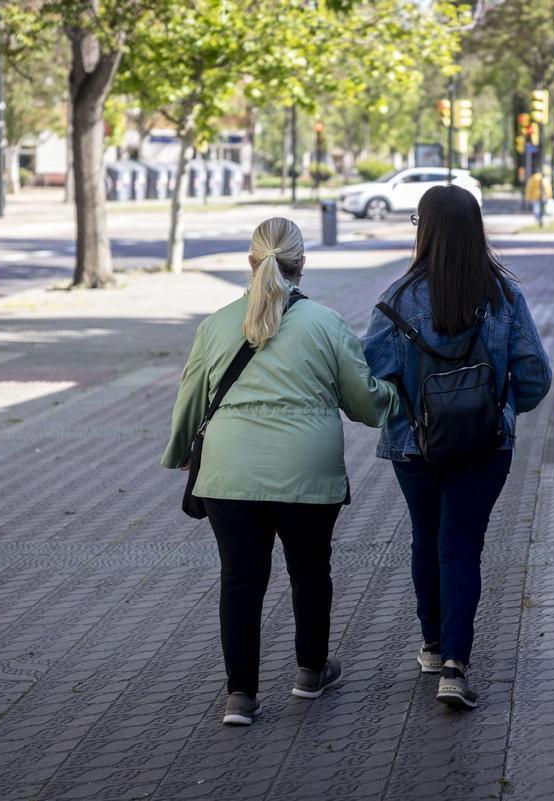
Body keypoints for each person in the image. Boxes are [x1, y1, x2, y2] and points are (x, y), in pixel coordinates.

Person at [161, 217, 398, 726]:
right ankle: (311, 672)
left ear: (251, 263)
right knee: (310, 570)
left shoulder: (215, 325)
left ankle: (240, 697)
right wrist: (393, 396)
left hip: (228, 472)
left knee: (240, 580)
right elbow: (365, 403)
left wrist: (179, 451)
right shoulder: (327, 324)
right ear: (301, 264)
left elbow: (190, 400)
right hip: (307, 470)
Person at [362, 185, 552, 709]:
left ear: (424, 229)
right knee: (462, 545)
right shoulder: (504, 296)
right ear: (475, 229)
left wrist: (403, 413)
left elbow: (371, 376)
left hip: (415, 447)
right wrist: (502, 411)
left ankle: (431, 645)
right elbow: (535, 375)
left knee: (426, 538)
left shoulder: (397, 298)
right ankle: (454, 667)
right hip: (486, 446)